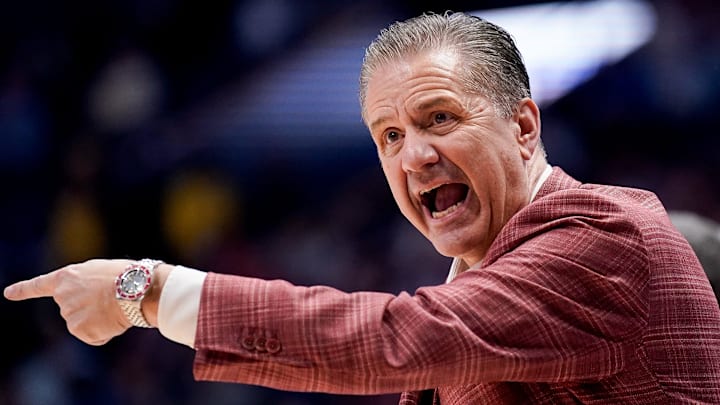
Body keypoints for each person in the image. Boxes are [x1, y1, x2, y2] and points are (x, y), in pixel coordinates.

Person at [4, 11, 720, 405]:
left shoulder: (602, 239)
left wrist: (147, 291)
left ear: (524, 125)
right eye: (390, 136)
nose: (413, 157)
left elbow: (389, 338)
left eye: (440, 118)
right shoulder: (481, 283)